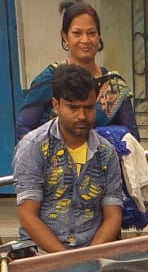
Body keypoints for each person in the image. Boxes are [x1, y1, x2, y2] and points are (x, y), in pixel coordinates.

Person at [13, 64, 123, 253]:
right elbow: (27, 217)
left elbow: (113, 216)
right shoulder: (33, 147)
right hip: (40, 254)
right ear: (56, 105)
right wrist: (67, 260)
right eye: (73, 108)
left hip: (92, 253)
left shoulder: (106, 153)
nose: (82, 116)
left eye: (88, 108)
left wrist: (89, 256)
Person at [15, 0, 139, 142]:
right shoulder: (51, 78)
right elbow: (23, 128)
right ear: (65, 37)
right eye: (77, 33)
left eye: (91, 33)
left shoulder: (114, 86)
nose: (85, 40)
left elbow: (132, 138)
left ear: (99, 36)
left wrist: (105, 140)